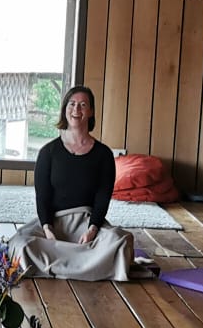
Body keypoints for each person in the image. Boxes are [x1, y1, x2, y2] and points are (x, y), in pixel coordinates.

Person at [10, 86, 141, 282]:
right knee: (20, 244)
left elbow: (102, 197)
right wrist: (48, 230)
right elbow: (42, 196)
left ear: (91, 111)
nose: (76, 110)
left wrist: (92, 230)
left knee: (121, 242)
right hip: (54, 223)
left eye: (83, 105)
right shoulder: (48, 152)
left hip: (87, 223)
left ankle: (58, 263)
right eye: (71, 104)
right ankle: (85, 264)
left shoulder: (103, 154)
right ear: (65, 109)